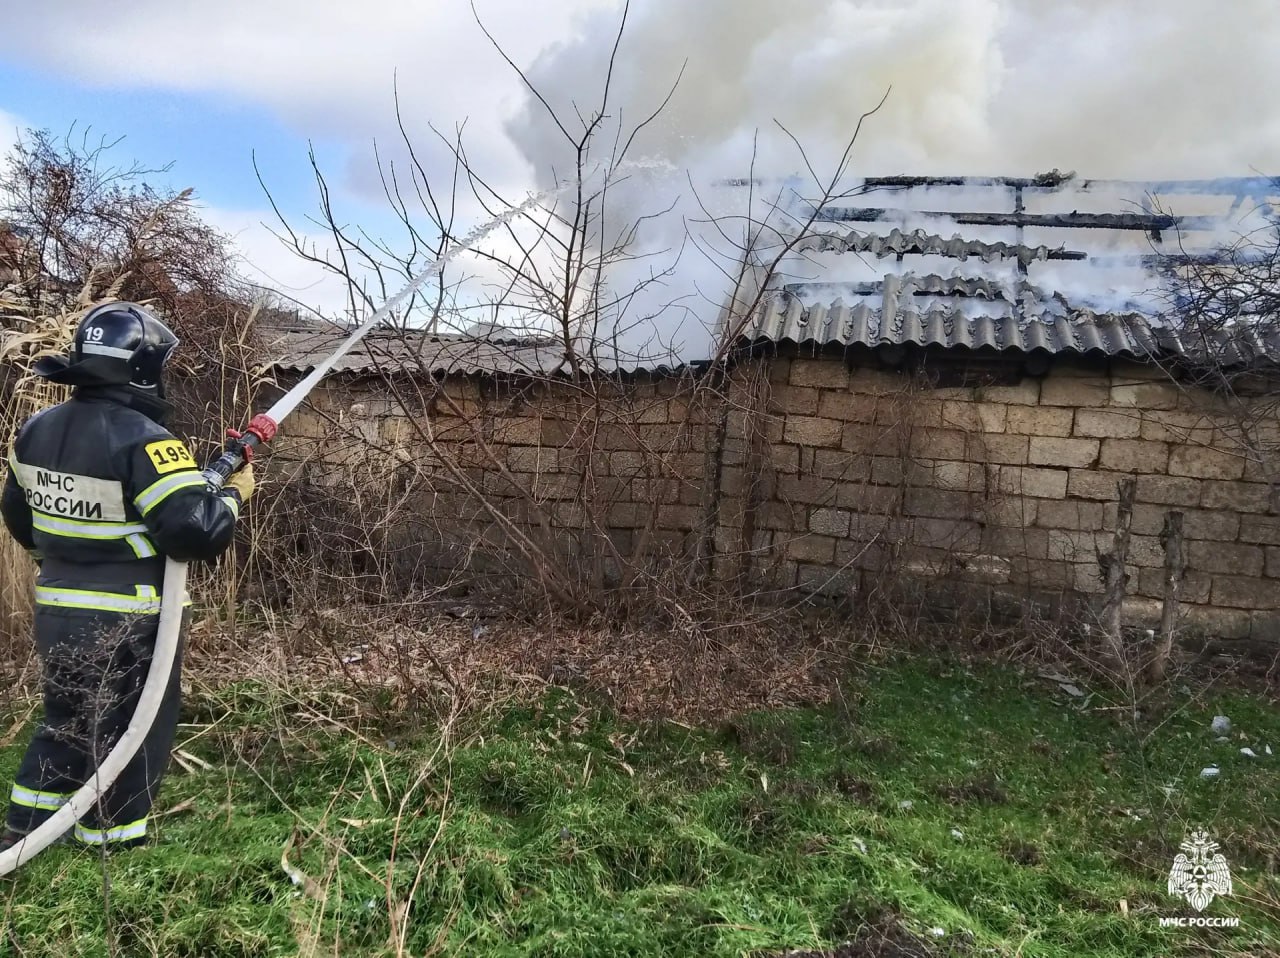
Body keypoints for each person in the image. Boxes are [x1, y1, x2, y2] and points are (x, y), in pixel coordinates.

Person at [0, 301, 255, 851]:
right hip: (130, 616)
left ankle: (27, 827)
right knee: (130, 723)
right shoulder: (146, 439)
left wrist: (64, 561)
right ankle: (110, 838)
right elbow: (193, 532)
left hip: (58, 605)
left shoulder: (34, 431)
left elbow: (19, 517)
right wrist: (235, 496)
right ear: (142, 367)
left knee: (66, 717)